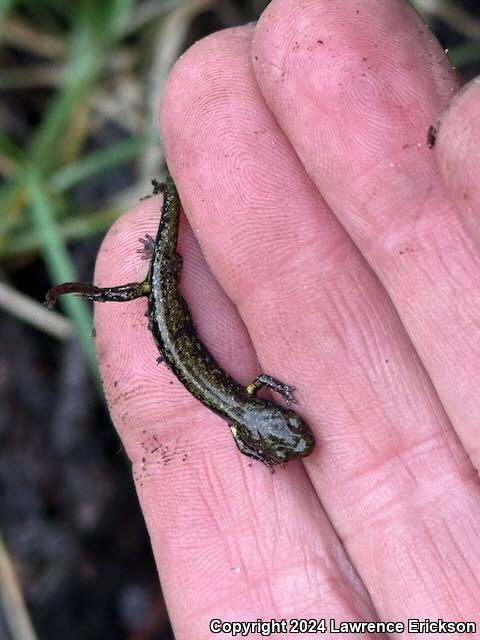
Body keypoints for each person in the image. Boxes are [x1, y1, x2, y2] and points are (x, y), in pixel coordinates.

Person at [93, 1, 480, 636]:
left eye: (289, 434)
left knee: (166, 272)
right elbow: (251, 430)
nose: (296, 435)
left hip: (182, 339)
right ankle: (169, 204)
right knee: (165, 273)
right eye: (291, 430)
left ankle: (170, 205)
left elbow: (250, 434)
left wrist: (270, 419)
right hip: (176, 331)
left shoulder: (248, 408)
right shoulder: (248, 404)